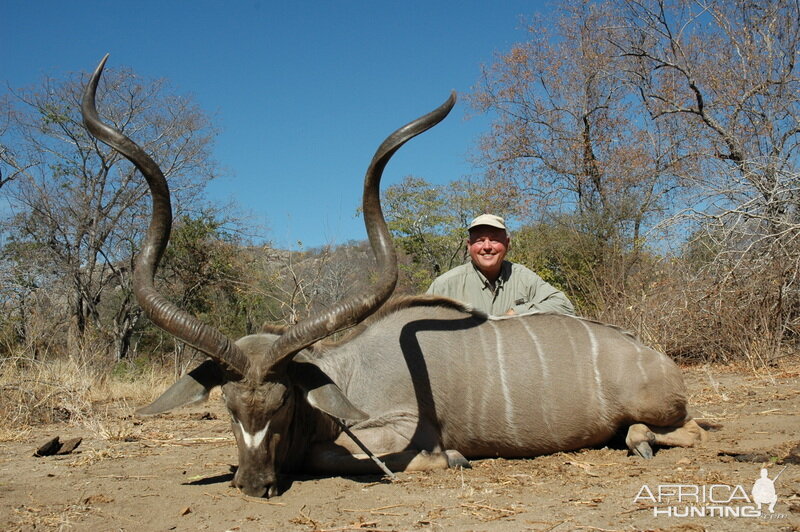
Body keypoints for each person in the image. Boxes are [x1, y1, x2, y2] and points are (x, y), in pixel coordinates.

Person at [426, 214, 575, 316]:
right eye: (479, 240)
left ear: (507, 244)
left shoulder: (522, 276)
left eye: (495, 240)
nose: (487, 246)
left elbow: (564, 306)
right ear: (469, 246)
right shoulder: (445, 285)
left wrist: (516, 313)